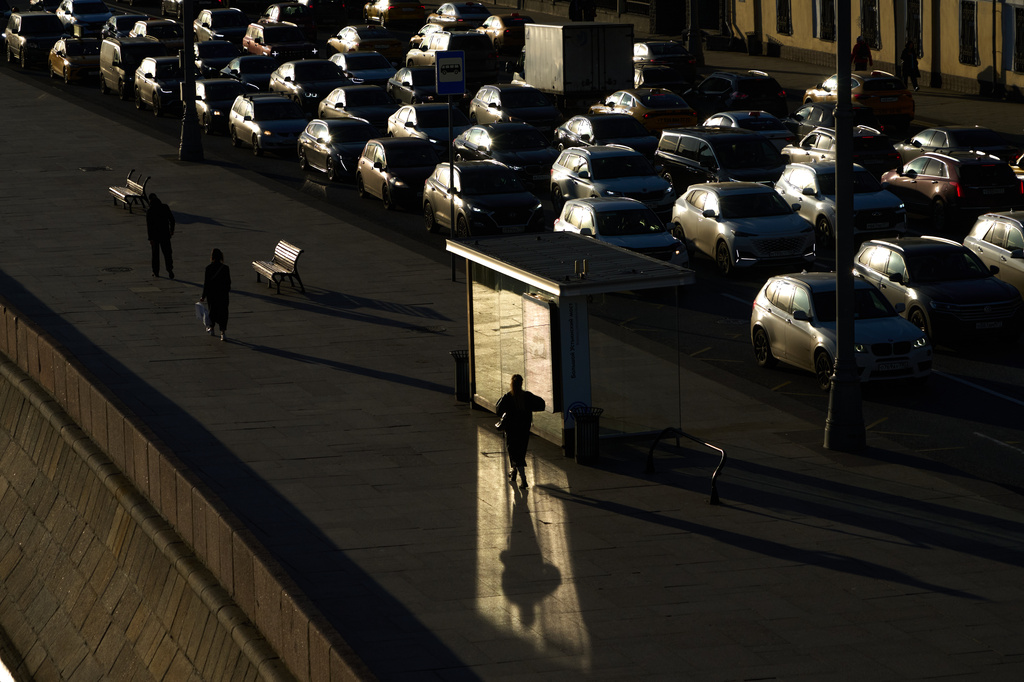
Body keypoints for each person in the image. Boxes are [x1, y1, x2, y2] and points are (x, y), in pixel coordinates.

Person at [495, 374, 545, 489]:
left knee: (514, 453)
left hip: (511, 430)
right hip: (524, 430)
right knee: (520, 452)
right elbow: (540, 403)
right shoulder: (527, 396)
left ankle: (523, 479)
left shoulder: (508, 397)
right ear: (522, 383)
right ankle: (514, 472)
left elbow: (498, 409)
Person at [201, 248, 231, 341]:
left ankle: (212, 328)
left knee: (212, 311)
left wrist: (203, 296)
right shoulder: (225, 268)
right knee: (223, 313)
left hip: (212, 294)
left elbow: (206, 284)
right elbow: (228, 282)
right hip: (222, 294)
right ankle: (223, 332)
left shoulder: (208, 268)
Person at [146, 193, 175, 278]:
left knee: (155, 254)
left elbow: (149, 226)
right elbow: (172, 220)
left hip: (155, 236)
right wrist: (171, 230)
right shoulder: (165, 207)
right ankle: (170, 269)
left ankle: (156, 271)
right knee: (167, 253)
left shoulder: (150, 211)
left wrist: (150, 238)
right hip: (165, 234)